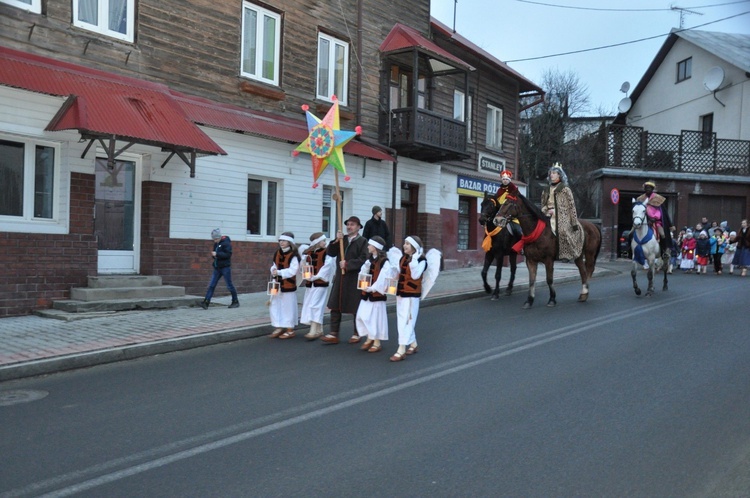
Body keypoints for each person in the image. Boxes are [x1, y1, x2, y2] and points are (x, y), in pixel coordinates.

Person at [321, 216, 369, 344]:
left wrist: (348, 264)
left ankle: (357, 332)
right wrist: (337, 240)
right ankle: (334, 333)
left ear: (358, 227)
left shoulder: (363, 241)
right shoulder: (342, 240)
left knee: (355, 306)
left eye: (352, 224)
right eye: (348, 224)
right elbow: (330, 253)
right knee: (335, 305)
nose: (349, 227)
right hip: (341, 278)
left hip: (353, 278)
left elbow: (364, 259)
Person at [390, 236, 427, 362]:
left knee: (407, 321)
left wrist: (414, 259)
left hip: (411, 295)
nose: (404, 246)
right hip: (401, 293)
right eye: (404, 243)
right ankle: (413, 344)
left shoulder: (421, 260)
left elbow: (416, 275)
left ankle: (401, 349)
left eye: (407, 244)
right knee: (402, 319)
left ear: (414, 247)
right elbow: (399, 275)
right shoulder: (403, 258)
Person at [355, 236, 393, 353]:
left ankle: (376, 341)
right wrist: (365, 268)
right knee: (362, 315)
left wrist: (372, 288)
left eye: (370, 245)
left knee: (375, 318)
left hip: (376, 294)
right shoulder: (369, 260)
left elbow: (383, 279)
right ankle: (369, 337)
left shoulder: (384, 263)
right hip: (367, 293)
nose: (368, 246)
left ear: (376, 247)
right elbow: (362, 274)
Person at [540, 163, 584, 261]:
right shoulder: (546, 190)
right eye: (551, 173)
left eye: (554, 173)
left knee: (563, 230)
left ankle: (566, 254)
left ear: (559, 175)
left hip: (561, 215)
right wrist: (546, 210)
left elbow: (571, 206)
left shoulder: (565, 189)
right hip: (547, 214)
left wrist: (557, 211)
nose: (551, 175)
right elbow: (543, 204)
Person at [299, 232, 335, 340]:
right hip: (310, 283)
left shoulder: (327, 252)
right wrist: (306, 271)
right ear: (317, 242)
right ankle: (319, 329)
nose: (325, 242)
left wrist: (317, 276)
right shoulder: (308, 253)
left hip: (320, 283)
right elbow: (303, 267)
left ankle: (313, 330)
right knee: (310, 304)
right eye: (323, 241)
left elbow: (327, 266)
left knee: (316, 305)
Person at [269, 232, 300, 339]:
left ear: (290, 242)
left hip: (288, 284)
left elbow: (293, 270)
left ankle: (290, 329)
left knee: (288, 306)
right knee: (275, 305)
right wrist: (273, 270)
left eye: (284, 241)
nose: (281, 242)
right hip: (276, 283)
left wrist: (279, 272)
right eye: (280, 240)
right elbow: (274, 265)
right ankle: (278, 325)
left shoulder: (293, 255)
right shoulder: (277, 253)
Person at [198, 228, 239, 309]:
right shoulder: (216, 243)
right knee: (211, 285)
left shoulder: (226, 243)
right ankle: (206, 302)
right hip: (217, 267)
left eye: (215, 239)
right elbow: (215, 254)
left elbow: (228, 254)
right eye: (213, 239)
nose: (214, 240)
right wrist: (214, 255)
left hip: (225, 267)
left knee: (229, 285)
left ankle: (235, 301)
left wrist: (217, 254)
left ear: (219, 237)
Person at [635, 180, 674, 256]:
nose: (648, 189)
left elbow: (661, 212)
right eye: (646, 188)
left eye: (649, 188)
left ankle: (664, 251)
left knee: (663, 234)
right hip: (643, 221)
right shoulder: (640, 199)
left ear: (652, 189)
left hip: (656, 222)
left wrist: (654, 219)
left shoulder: (658, 199)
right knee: (632, 233)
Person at [494, 169, 521, 236]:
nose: (505, 181)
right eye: (503, 179)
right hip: (501, 214)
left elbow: (518, 201)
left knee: (518, 231)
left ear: (509, 180)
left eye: (506, 179)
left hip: (512, 216)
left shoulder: (514, 189)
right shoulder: (499, 190)